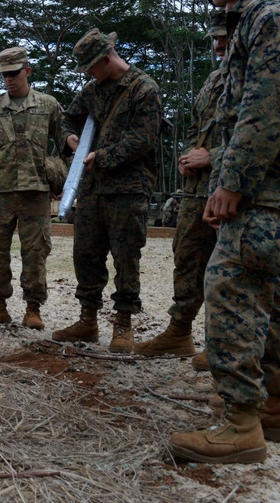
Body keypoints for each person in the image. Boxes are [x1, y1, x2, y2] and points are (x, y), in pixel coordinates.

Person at [168, 0, 280, 464]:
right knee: (270, 293)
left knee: (229, 288)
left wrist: (231, 181)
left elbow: (268, 105)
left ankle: (241, 424)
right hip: (265, 186)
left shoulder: (269, 12)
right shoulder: (259, 13)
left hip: (259, 187)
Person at [50, 29, 162, 352]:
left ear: (107, 58)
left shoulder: (144, 89)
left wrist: (103, 157)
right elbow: (67, 120)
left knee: (126, 258)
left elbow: (143, 140)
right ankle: (88, 321)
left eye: (90, 66)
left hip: (127, 191)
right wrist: (69, 139)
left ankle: (123, 324)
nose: (87, 73)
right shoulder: (91, 90)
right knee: (85, 254)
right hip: (91, 189)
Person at [135, 9, 227, 369]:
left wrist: (213, 157)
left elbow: (269, 136)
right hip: (197, 189)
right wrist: (189, 156)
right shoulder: (215, 80)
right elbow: (197, 129)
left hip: (235, 186)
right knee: (187, 257)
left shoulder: (260, 75)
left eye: (225, 36)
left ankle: (224, 344)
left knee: (228, 268)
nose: (219, 44)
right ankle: (179, 332)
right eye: (215, 38)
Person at [0, 47, 66, 330]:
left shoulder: (49, 105)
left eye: (13, 73)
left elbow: (66, 144)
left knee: (35, 252)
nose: (9, 79)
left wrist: (63, 182)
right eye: (4, 75)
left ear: (27, 71)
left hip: (36, 192)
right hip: (0, 193)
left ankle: (33, 309)